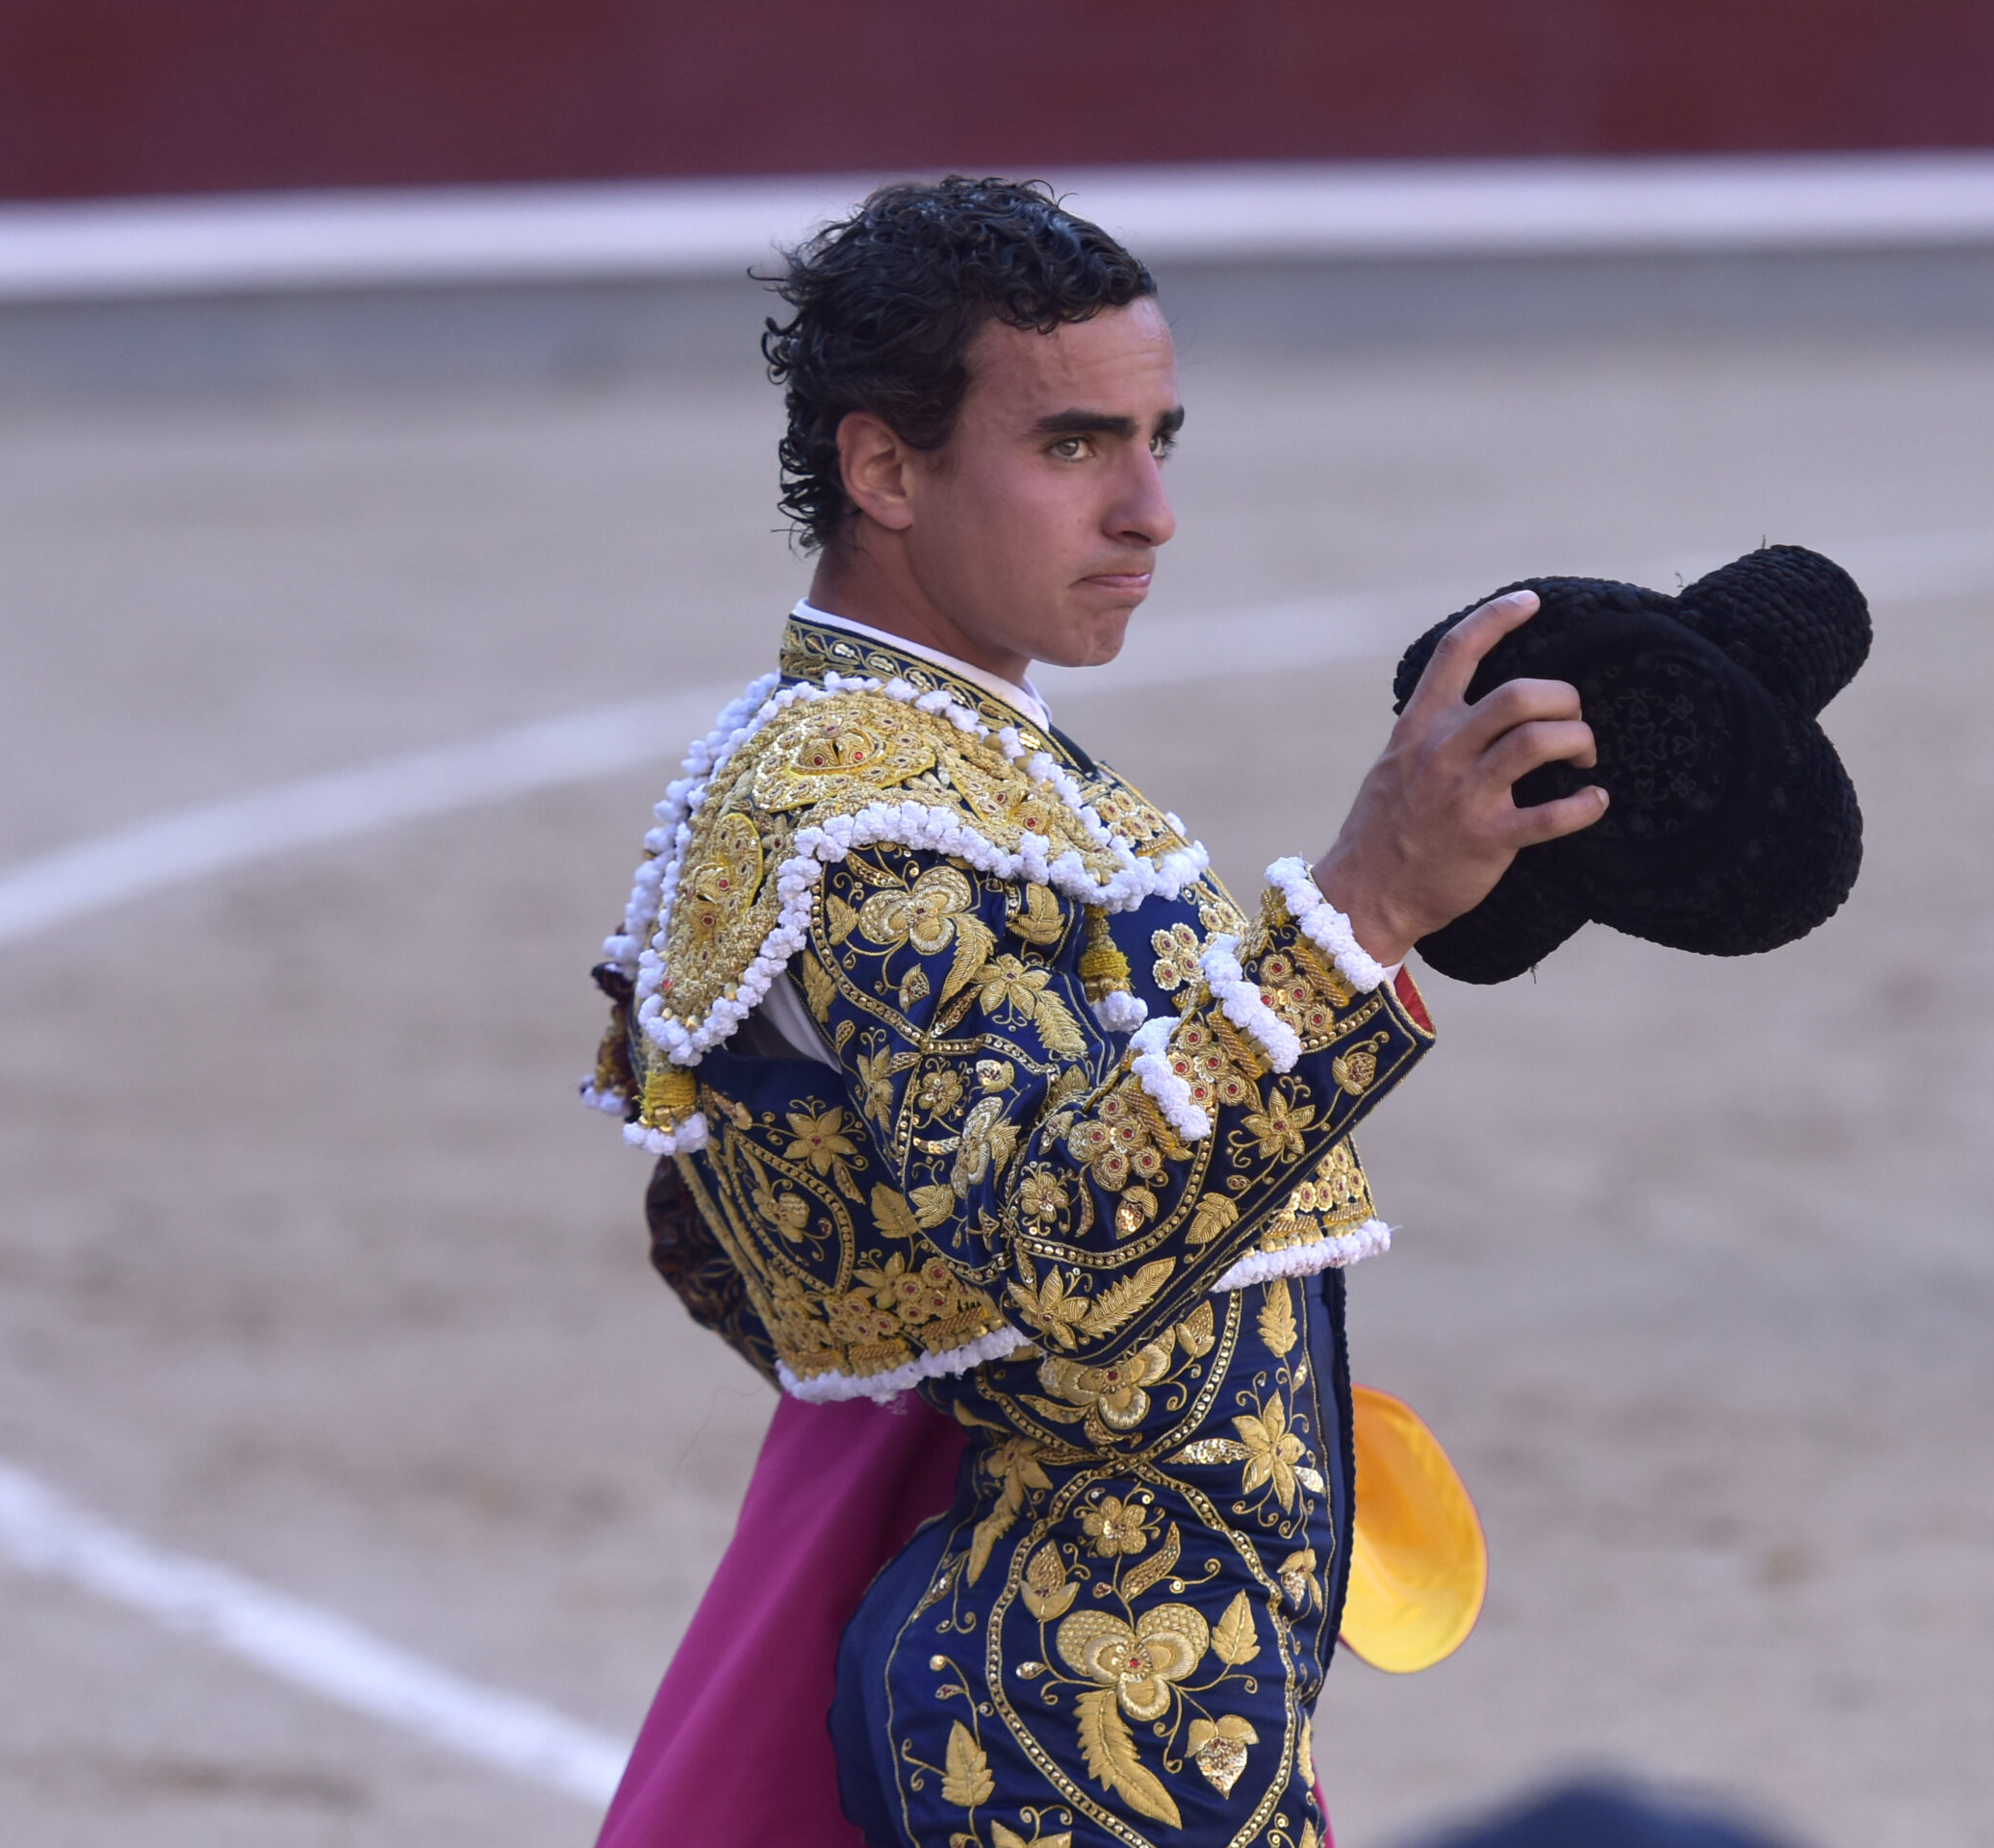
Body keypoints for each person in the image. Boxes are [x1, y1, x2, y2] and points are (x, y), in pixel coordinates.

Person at [585, 176, 1606, 1848]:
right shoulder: (865, 817)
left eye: (1159, 441)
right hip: (1064, 1711)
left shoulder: (947, 772)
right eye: (1073, 447)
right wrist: (1366, 907)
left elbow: (722, 1236)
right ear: (885, 469)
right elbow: (1059, 1249)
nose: (1149, 511)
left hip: (1129, 1657)